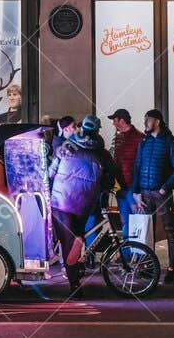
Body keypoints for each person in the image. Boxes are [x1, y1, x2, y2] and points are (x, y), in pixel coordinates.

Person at [47, 115, 121, 292]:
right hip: (84, 202)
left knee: (68, 241)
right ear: (97, 130)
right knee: (77, 234)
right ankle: (78, 257)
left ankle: (74, 283)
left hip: (61, 201)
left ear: (81, 129)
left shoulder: (67, 146)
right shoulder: (102, 153)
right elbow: (109, 180)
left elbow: (51, 172)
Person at [127, 108, 174, 284]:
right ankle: (147, 266)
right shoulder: (144, 142)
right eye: (145, 119)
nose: (145, 123)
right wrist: (136, 192)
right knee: (146, 231)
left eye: (148, 120)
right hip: (144, 193)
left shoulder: (170, 141)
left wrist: (164, 188)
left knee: (170, 230)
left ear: (157, 121)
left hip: (161, 193)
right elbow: (137, 167)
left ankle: (171, 269)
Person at [109, 109, 145, 229]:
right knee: (125, 223)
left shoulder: (140, 138)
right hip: (120, 188)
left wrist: (138, 187)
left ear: (122, 121)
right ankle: (127, 248)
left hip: (133, 188)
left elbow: (143, 164)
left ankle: (139, 248)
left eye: (115, 120)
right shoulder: (119, 137)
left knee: (138, 223)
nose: (113, 123)